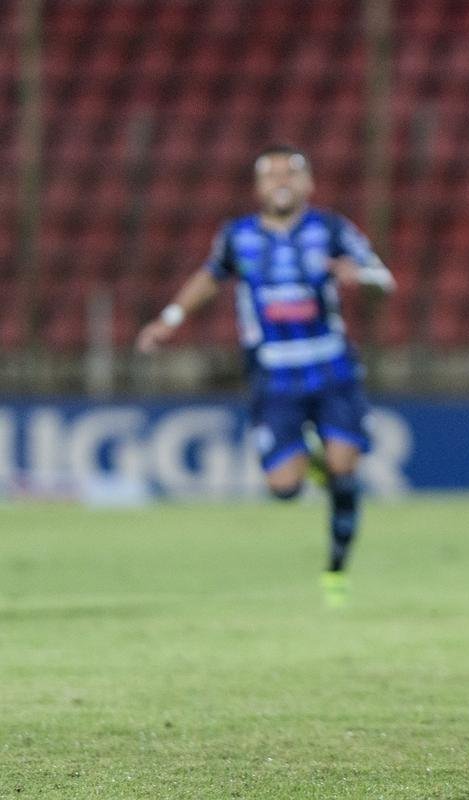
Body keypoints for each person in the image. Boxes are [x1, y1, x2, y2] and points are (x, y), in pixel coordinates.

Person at [136, 145, 395, 607]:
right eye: (271, 174)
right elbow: (209, 278)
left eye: (291, 173)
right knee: (284, 488)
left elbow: (383, 279)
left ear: (308, 184)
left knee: (345, 467)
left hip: (331, 366)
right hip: (274, 373)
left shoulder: (331, 229)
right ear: (257, 187)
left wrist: (361, 277)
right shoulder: (237, 236)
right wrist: (169, 318)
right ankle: (313, 462)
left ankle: (336, 570)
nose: (281, 181)